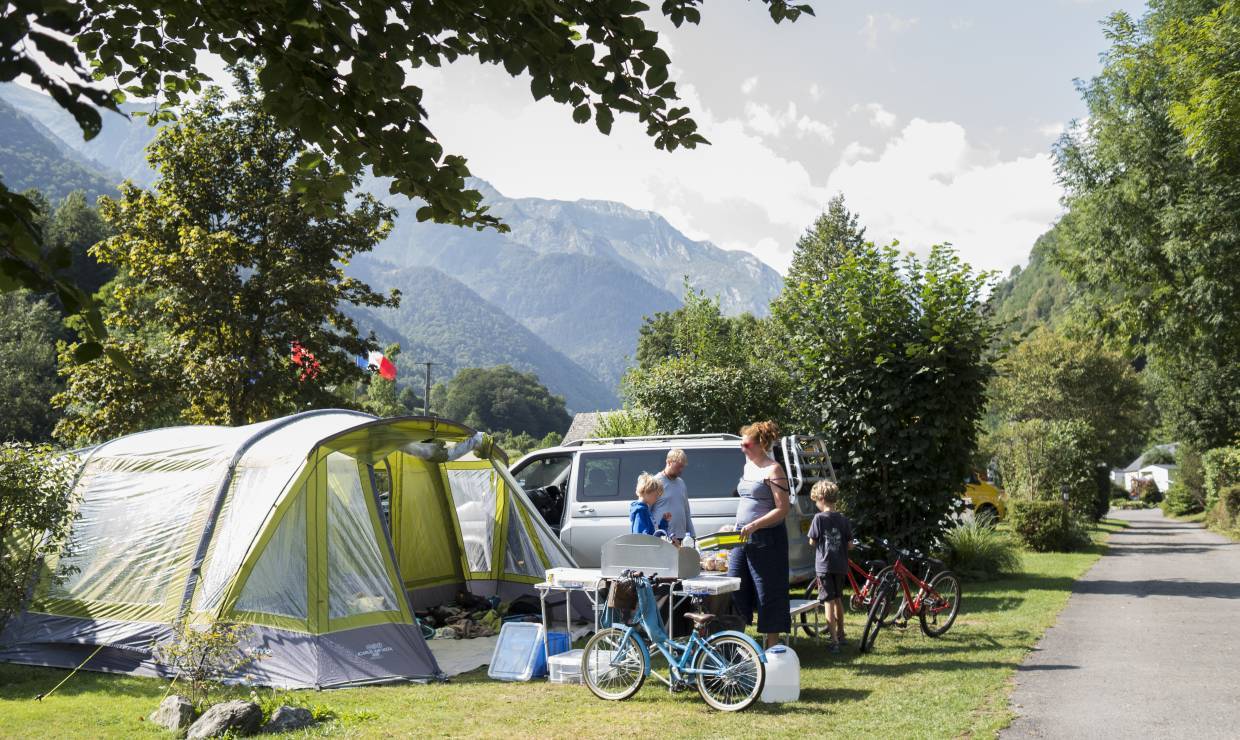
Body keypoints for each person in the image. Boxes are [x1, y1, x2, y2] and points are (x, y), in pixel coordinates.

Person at [727, 420, 791, 649]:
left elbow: (783, 509)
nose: (742, 449)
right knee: (734, 585)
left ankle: (771, 647)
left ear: (760, 444)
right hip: (741, 536)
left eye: (746, 445)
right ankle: (736, 642)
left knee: (768, 590)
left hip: (767, 539)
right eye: (742, 445)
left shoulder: (774, 469)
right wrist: (736, 525)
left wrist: (755, 525)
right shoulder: (747, 466)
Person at [807, 480, 852, 652]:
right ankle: (841, 633)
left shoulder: (818, 518)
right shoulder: (843, 519)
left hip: (824, 566)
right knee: (838, 599)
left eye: (815, 501)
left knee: (827, 601)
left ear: (821, 499)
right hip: (840, 565)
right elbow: (850, 545)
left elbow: (812, 541)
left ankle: (833, 641)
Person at [652, 449, 695, 545]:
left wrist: (692, 535)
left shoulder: (681, 483)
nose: (681, 470)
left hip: (682, 537)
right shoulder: (655, 482)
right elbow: (648, 511)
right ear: (669, 462)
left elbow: (686, 511)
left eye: (682, 467)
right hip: (663, 537)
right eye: (678, 467)